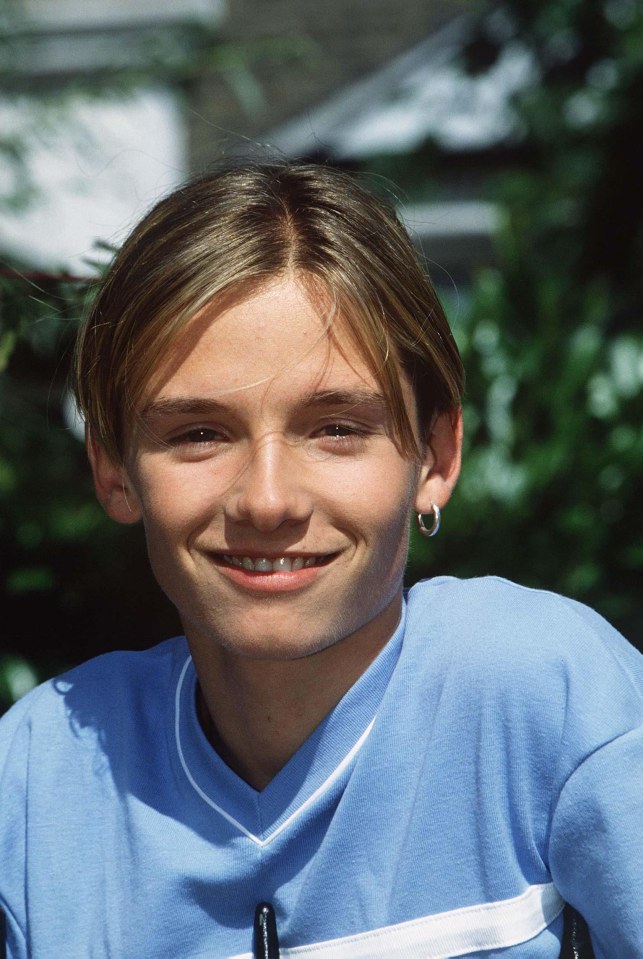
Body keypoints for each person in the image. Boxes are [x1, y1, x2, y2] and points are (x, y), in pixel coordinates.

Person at [0, 163, 641, 959]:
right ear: (113, 468)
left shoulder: (549, 695)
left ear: (436, 456)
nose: (267, 500)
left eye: (336, 426)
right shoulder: (34, 782)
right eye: (198, 432)